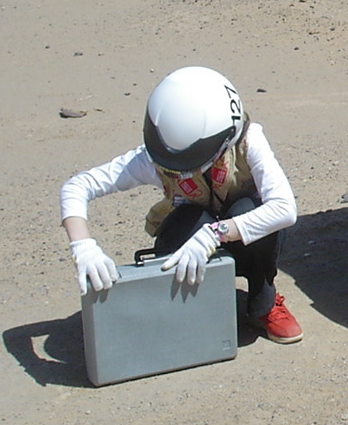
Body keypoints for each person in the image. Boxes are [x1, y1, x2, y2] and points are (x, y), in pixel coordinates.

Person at [60, 66, 303, 343]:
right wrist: (83, 247)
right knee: (188, 219)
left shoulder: (249, 142)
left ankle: (263, 304)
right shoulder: (156, 158)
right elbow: (77, 186)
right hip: (188, 244)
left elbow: (284, 208)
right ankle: (189, 310)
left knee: (251, 212)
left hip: (238, 239)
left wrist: (215, 233)